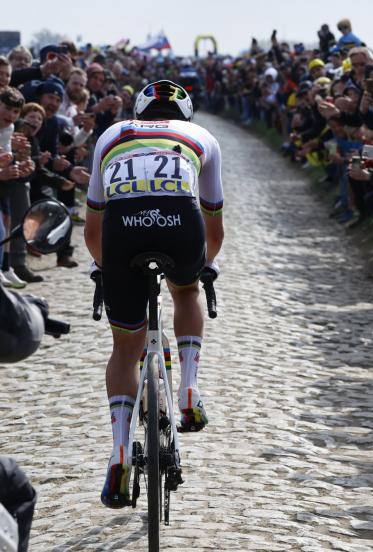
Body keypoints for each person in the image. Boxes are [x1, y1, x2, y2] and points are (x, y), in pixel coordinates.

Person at [84, 80, 224, 508]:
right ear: (187, 116)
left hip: (121, 231)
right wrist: (205, 266)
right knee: (186, 293)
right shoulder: (203, 139)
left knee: (125, 346)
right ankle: (189, 390)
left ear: (137, 110)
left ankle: (120, 449)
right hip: (181, 227)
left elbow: (92, 226)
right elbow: (214, 225)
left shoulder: (110, 134)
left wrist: (102, 267)